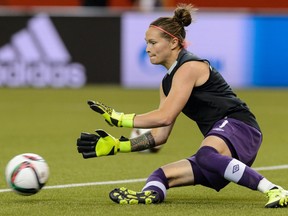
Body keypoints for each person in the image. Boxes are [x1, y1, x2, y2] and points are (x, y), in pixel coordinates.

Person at [76, 3, 288, 208]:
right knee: (161, 174)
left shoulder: (190, 67)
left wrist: (120, 118)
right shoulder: (166, 83)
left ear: (174, 43)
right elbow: (159, 136)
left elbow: (165, 115)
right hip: (222, 138)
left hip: (240, 127)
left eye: (152, 42)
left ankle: (276, 190)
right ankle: (151, 195)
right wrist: (118, 146)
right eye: (146, 43)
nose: (147, 49)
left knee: (206, 155)